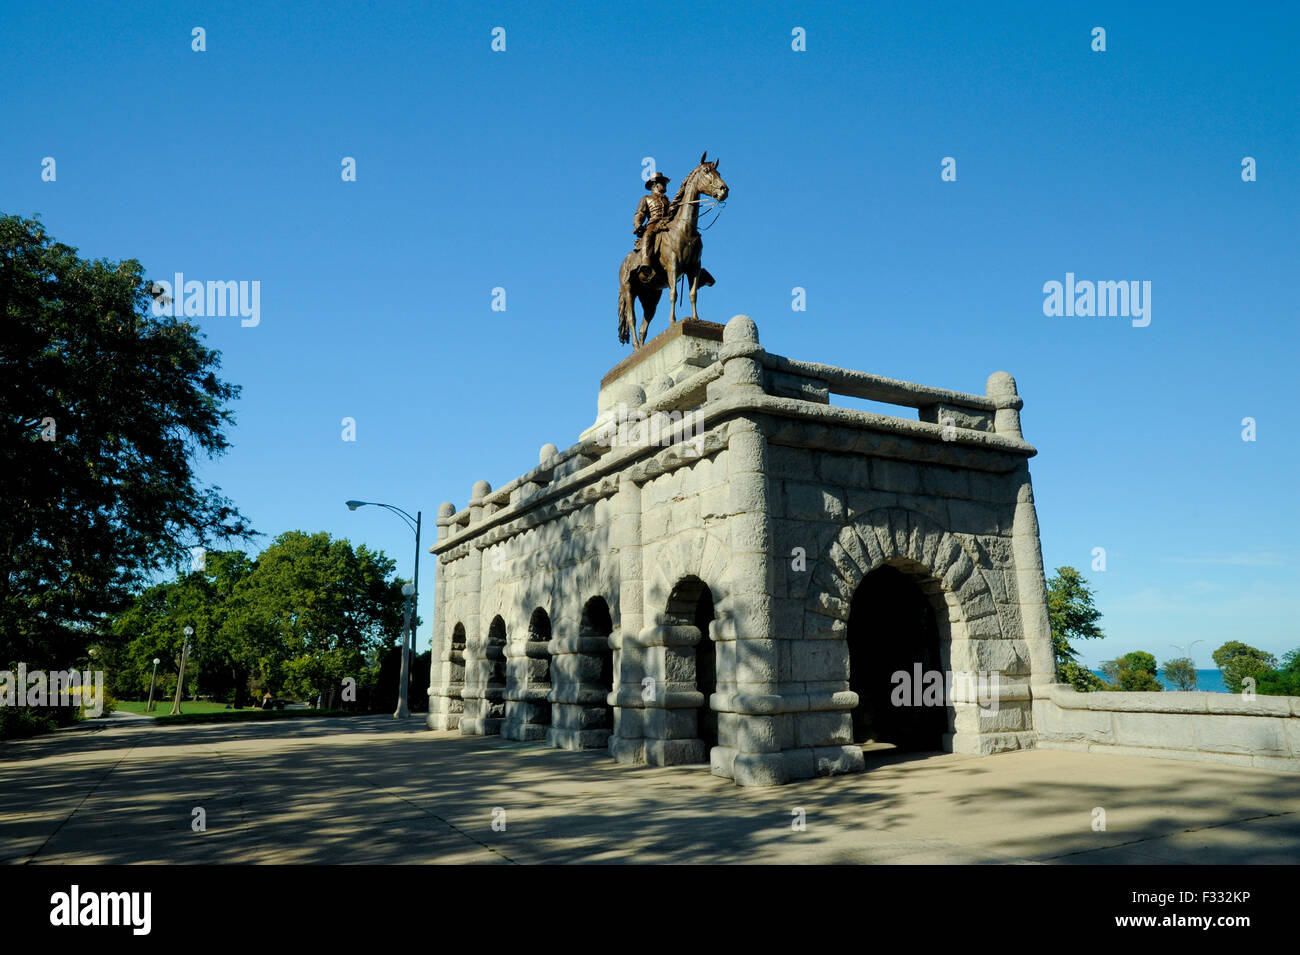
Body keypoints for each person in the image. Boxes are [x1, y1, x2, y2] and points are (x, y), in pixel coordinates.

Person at [632, 171, 672, 282]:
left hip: (667, 224)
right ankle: (645, 261)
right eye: (662, 183)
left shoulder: (668, 201)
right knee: (648, 235)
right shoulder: (646, 199)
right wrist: (638, 224)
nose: (664, 185)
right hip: (653, 224)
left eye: (664, 183)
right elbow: (639, 213)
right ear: (655, 185)